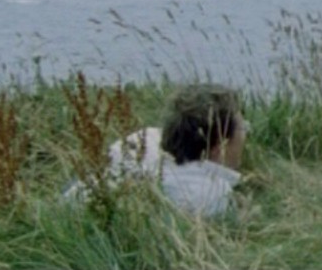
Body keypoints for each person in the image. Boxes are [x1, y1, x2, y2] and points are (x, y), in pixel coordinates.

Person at [65, 83, 247, 217]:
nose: (246, 135)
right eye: (242, 128)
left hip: (70, 200)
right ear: (220, 146)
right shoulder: (213, 194)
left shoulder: (144, 140)